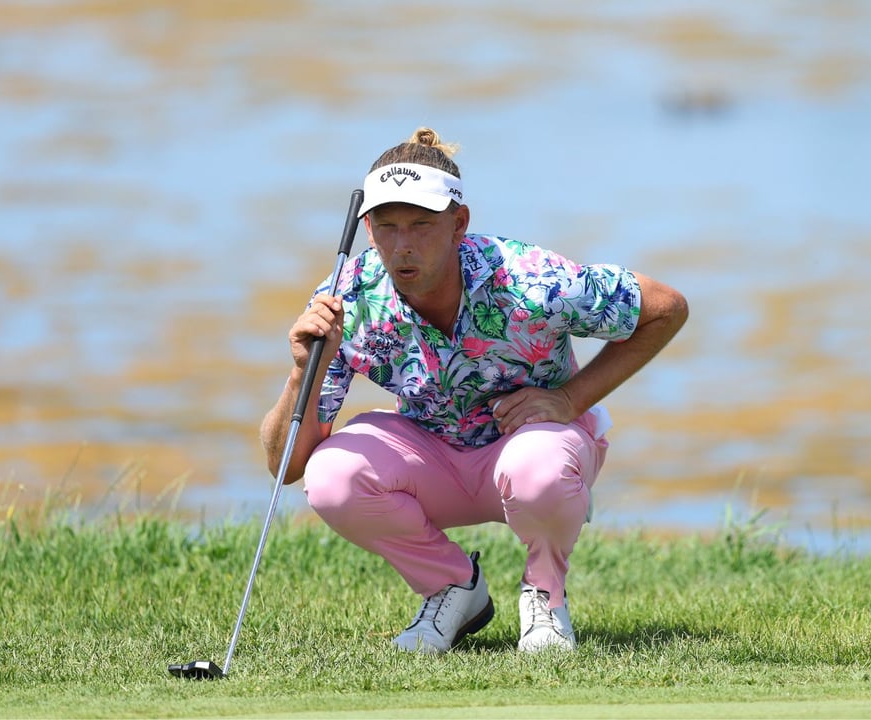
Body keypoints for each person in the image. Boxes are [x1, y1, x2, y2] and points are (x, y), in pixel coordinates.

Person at [260, 127, 688, 654]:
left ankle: (545, 596)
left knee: (538, 469)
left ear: (459, 223)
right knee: (331, 475)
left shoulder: (530, 278)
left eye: (422, 225)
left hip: (533, 450)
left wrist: (570, 400)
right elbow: (287, 465)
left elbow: (666, 308)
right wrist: (303, 371)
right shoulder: (345, 297)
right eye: (387, 226)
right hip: (432, 461)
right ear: (366, 228)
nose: (403, 245)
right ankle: (452, 588)